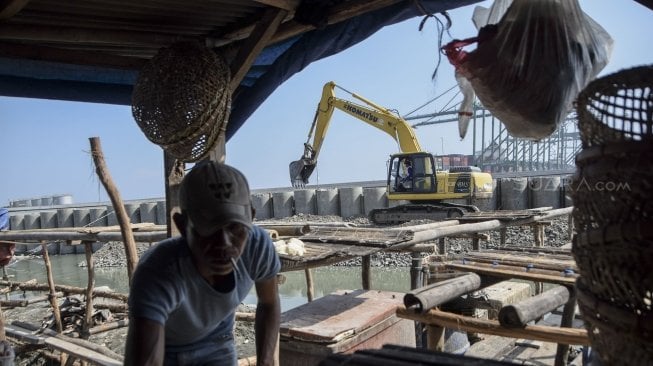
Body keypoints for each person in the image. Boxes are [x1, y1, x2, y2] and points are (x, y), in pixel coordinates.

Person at [124, 161, 281, 366]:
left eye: (235, 227)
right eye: (209, 229)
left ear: (250, 218)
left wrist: (266, 362)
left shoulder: (257, 246)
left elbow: (269, 303)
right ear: (181, 225)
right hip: (169, 349)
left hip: (218, 340)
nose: (224, 244)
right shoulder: (158, 272)